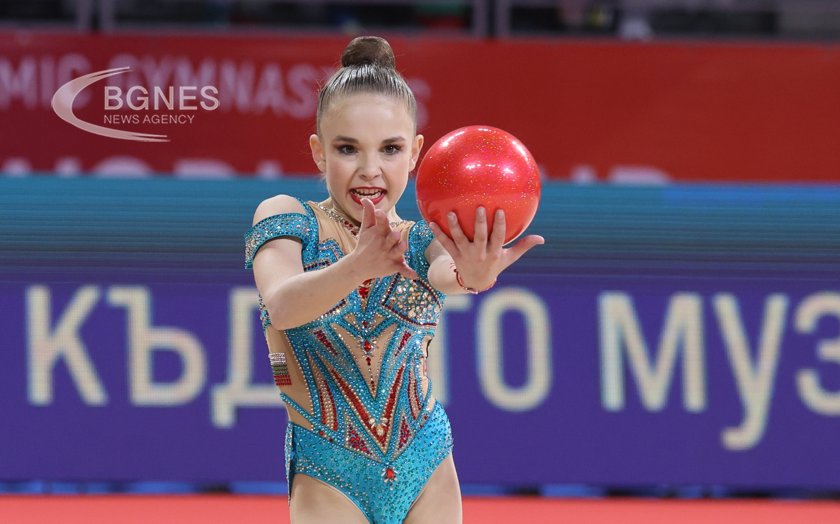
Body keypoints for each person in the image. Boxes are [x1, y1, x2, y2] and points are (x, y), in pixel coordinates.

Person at [244, 35, 544, 524]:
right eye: (347, 149)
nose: (370, 170)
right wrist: (357, 266)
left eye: (390, 149)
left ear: (415, 154)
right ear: (319, 153)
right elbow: (282, 304)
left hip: (426, 465)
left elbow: (450, 272)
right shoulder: (287, 218)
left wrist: (474, 274)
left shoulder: (422, 239)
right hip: (328, 470)